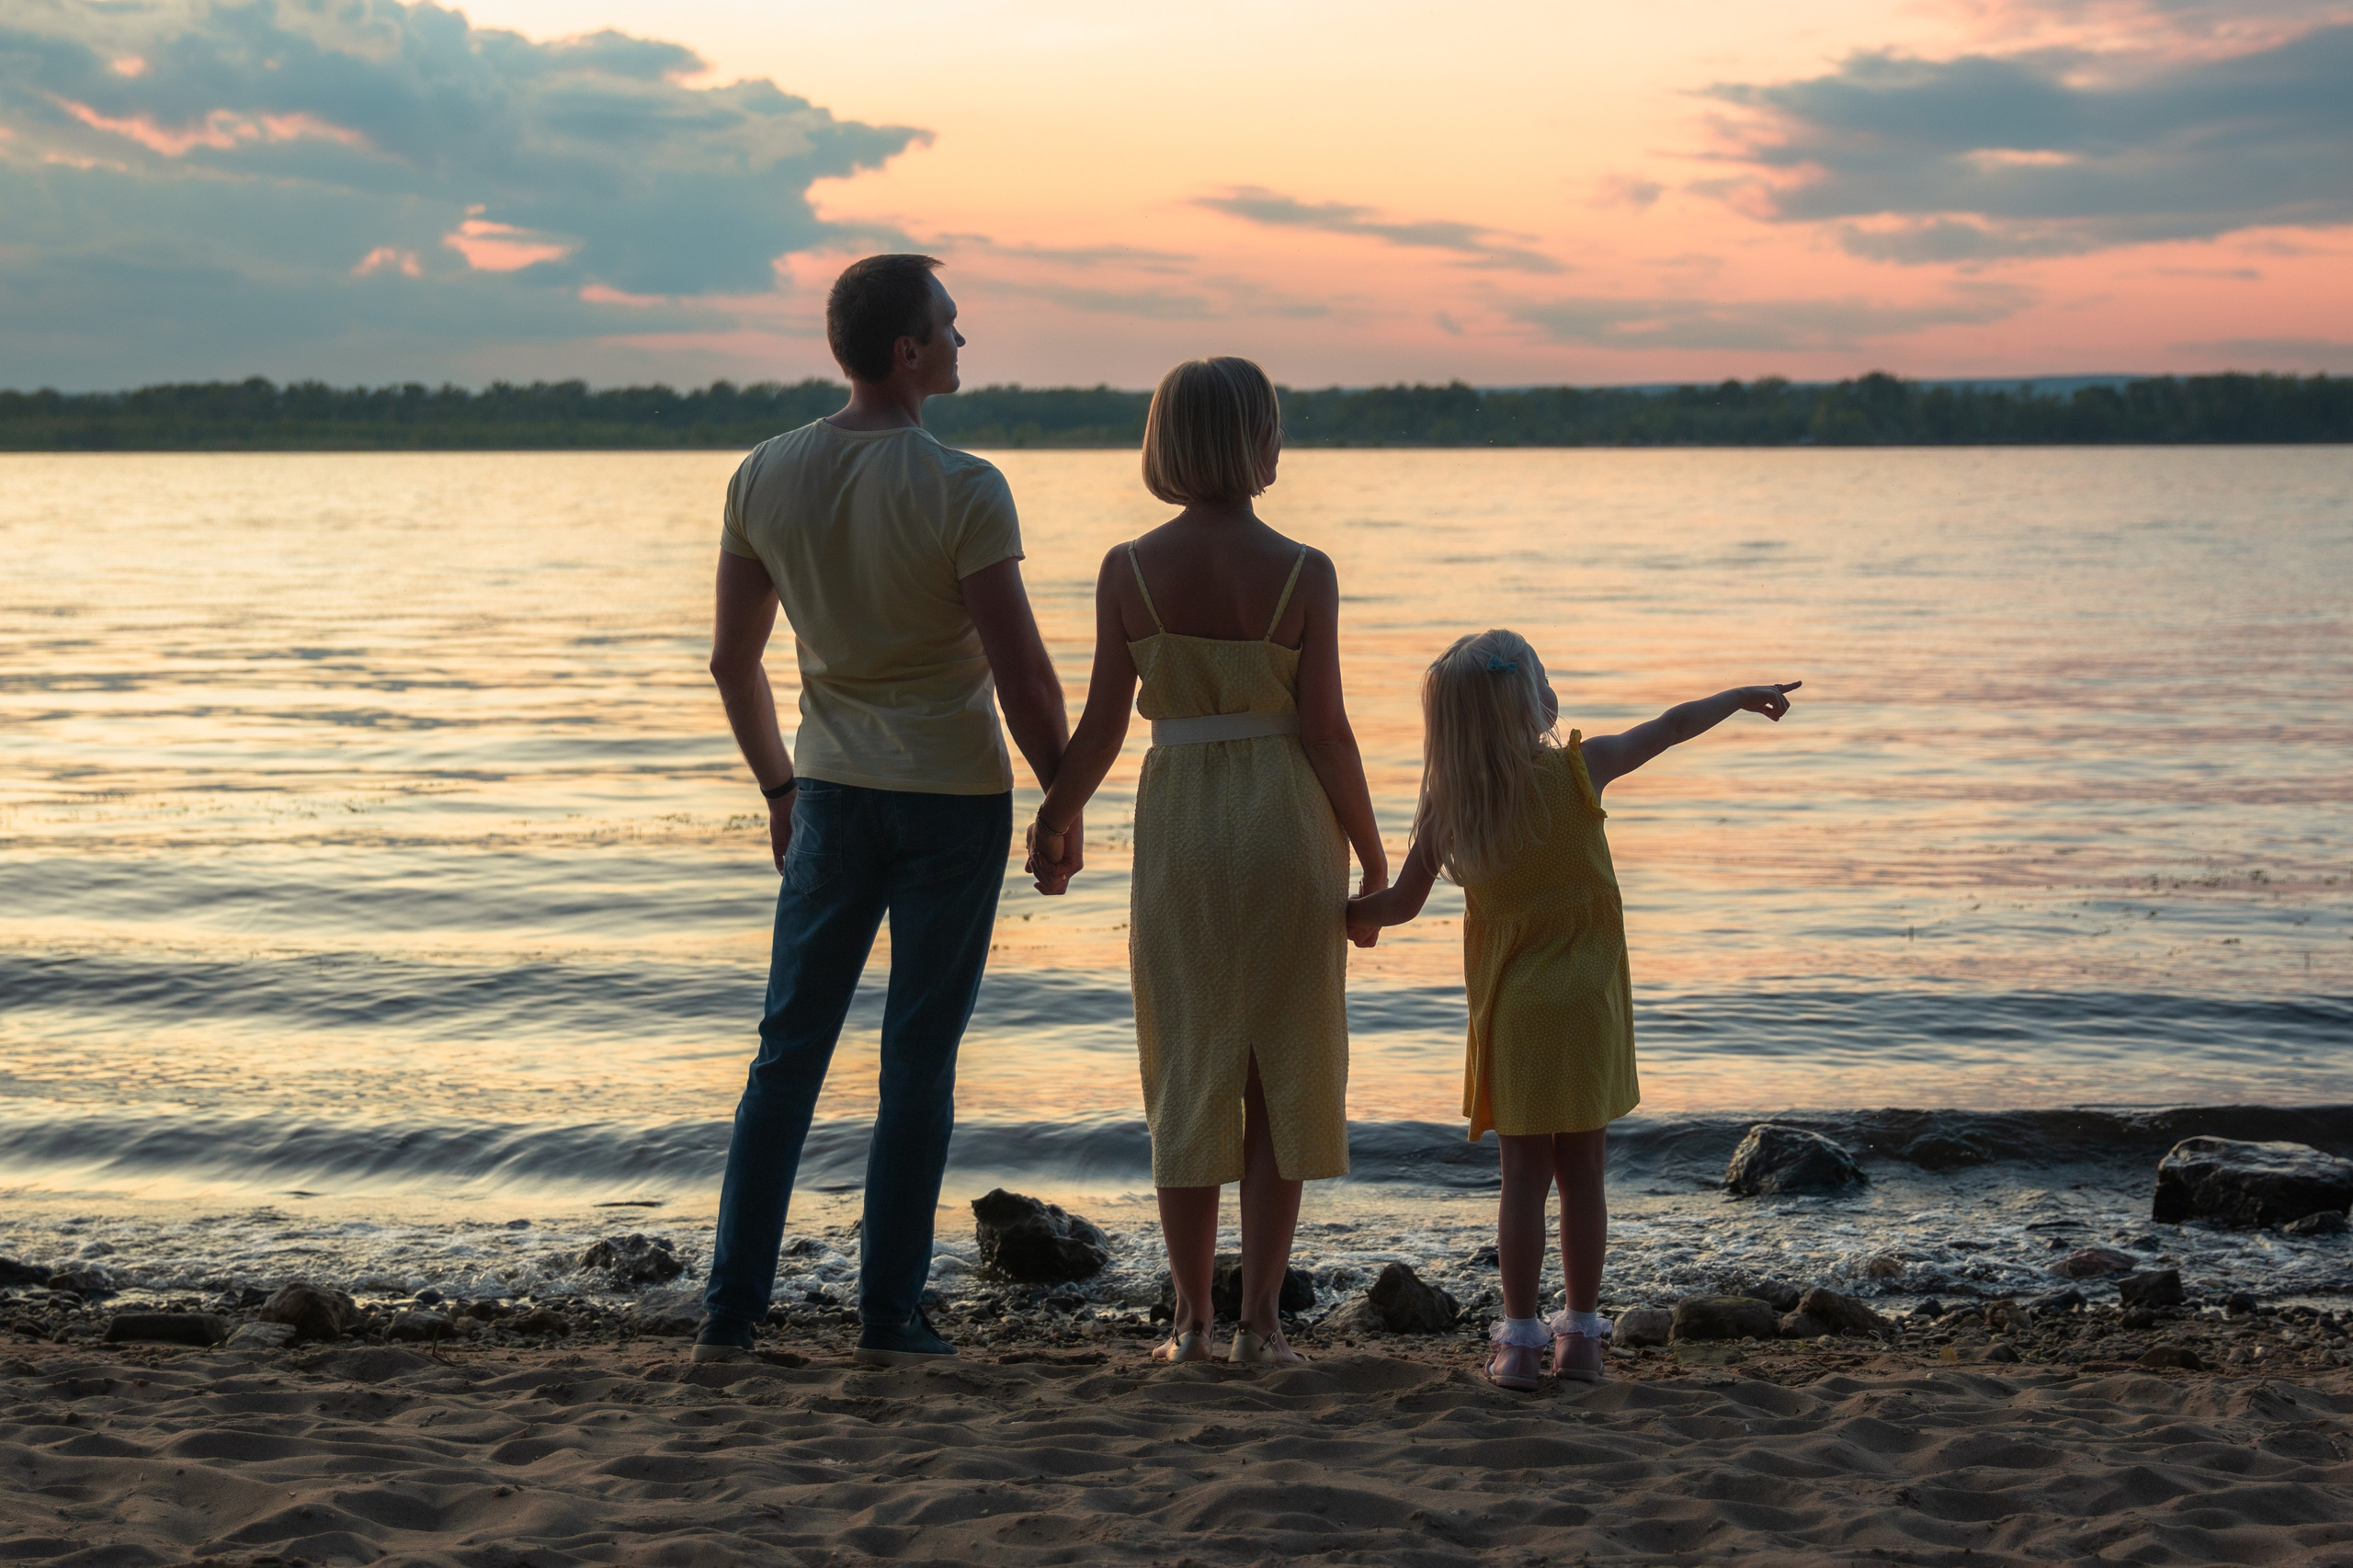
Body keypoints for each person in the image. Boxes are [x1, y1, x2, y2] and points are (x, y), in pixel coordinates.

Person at [697, 255, 1073, 1367]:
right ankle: (889, 1315)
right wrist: (1065, 801)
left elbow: (732, 660)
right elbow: (1024, 678)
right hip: (951, 801)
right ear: (907, 351)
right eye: (950, 325)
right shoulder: (963, 486)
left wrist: (780, 787)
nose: (964, 340)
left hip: (831, 797)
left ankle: (731, 1309)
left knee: (786, 1054)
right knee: (916, 1060)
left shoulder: (764, 473)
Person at [1026, 357, 1384, 1368]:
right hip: (1284, 820)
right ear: (1259, 442)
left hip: (1179, 820)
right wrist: (1369, 856)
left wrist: (1054, 817)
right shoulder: (1305, 570)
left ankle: (1190, 1320)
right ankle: (1260, 1323)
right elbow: (1327, 731)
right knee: (1281, 1067)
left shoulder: (1126, 569)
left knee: (1186, 1064)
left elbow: (1099, 726)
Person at [1347, 631, 1797, 1389]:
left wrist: (1347, 916)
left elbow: (1399, 904)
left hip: (1515, 1013)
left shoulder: (1452, 808)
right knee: (1583, 1174)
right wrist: (1737, 697)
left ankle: (1520, 1342)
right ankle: (1581, 1338)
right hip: (1587, 1006)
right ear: (1532, 702)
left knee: (1522, 1177)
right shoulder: (1581, 770)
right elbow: (1671, 726)